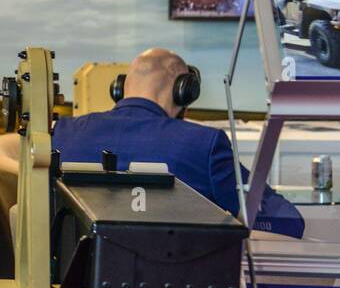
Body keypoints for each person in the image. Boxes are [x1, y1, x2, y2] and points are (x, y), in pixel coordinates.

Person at [52, 48, 305, 238]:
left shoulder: (63, 133)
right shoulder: (204, 144)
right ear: (184, 90)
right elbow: (285, 220)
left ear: (119, 88)